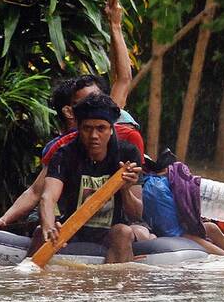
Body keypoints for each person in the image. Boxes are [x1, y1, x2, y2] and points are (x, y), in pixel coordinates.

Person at [0, 0, 143, 231]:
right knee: (39, 227)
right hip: (74, 220)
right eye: (89, 126)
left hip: (119, 223)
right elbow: (38, 192)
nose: (98, 105)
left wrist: (116, 25)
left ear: (108, 126)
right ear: (72, 113)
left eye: (101, 127)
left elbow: (123, 78)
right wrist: (5, 220)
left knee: (131, 230)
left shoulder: (111, 125)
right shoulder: (64, 149)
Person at [31, 93, 144, 263]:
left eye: (101, 128)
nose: (94, 136)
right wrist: (48, 225)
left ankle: (115, 288)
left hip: (110, 232)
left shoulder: (127, 154)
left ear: (111, 129)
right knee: (40, 231)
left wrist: (126, 189)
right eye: (87, 128)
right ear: (78, 127)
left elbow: (136, 214)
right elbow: (48, 197)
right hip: (71, 229)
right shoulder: (64, 154)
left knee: (123, 231)